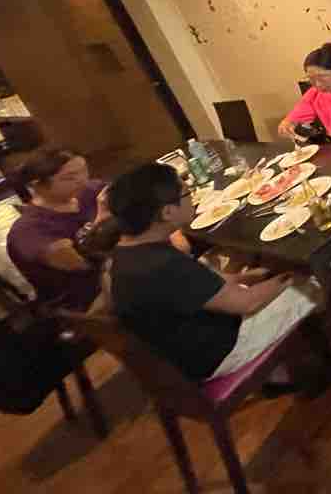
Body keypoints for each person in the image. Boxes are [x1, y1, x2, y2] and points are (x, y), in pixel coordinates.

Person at [105, 161, 318, 382]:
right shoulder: (161, 264)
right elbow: (247, 302)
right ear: (167, 212)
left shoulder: (128, 253)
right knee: (316, 279)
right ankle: (306, 370)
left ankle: (285, 369)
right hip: (221, 351)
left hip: (189, 349)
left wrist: (251, 276)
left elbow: (202, 287)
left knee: (260, 271)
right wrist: (292, 274)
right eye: (187, 193)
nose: (192, 198)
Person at [5, 150, 107, 310]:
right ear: (37, 185)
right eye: (69, 177)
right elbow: (82, 266)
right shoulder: (28, 231)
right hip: (84, 301)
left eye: (84, 170)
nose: (82, 180)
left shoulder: (92, 190)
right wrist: (102, 219)